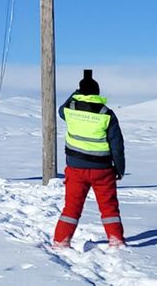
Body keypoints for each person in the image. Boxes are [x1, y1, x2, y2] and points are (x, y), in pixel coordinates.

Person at [53, 71, 126, 248]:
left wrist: (77, 91)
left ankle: (61, 240)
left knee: (71, 208)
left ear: (80, 92)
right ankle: (115, 240)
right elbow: (117, 145)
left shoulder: (70, 110)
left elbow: (60, 109)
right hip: (103, 170)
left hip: (76, 169)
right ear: (97, 93)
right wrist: (120, 168)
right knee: (109, 208)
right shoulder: (107, 114)